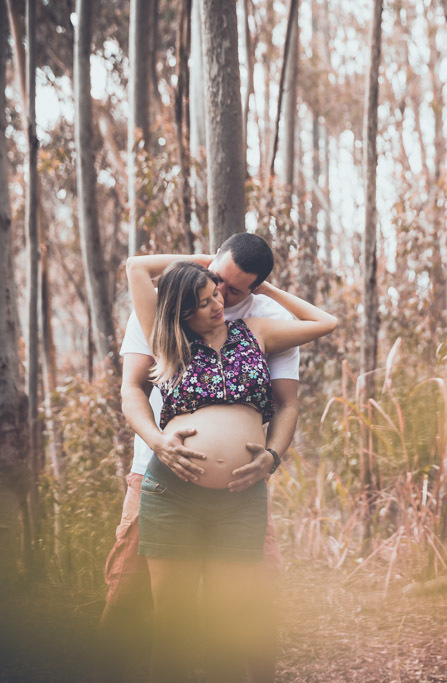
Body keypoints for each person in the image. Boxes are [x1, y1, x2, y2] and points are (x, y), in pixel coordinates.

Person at [97, 234, 305, 681]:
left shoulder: (264, 319)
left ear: (253, 289)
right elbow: (132, 386)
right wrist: (156, 441)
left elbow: (287, 403)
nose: (222, 296)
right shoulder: (168, 312)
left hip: (240, 490)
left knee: (251, 606)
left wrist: (271, 457)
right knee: (129, 595)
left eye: (234, 290)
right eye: (216, 280)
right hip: (158, 478)